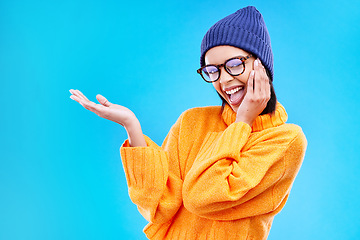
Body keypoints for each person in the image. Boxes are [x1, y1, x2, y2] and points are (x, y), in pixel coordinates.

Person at [70, 6, 307, 240]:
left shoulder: (286, 141)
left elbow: (202, 197)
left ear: (261, 65)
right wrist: (131, 126)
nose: (224, 80)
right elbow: (159, 207)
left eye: (235, 65)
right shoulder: (192, 122)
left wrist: (242, 122)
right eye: (213, 70)